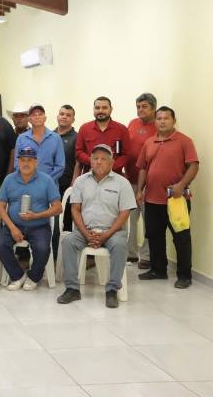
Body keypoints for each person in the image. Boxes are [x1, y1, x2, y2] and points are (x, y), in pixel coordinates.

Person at [58, 144, 135, 308]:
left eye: (103, 159)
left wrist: (107, 234)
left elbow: (124, 213)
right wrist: (86, 233)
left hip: (113, 231)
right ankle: (72, 289)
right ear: (90, 161)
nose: (98, 162)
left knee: (120, 245)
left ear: (112, 163)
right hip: (85, 230)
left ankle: (112, 290)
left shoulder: (122, 183)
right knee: (68, 242)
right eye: (95, 158)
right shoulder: (80, 181)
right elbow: (75, 209)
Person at [136, 106, 199, 289]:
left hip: (176, 200)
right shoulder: (149, 142)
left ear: (174, 121)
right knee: (154, 236)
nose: (162, 121)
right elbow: (143, 168)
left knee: (181, 238)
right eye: (159, 118)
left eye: (166, 118)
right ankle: (158, 270)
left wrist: (181, 185)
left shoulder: (184, 141)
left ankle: (184, 276)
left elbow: (193, 165)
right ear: (155, 121)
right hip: (152, 199)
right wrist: (139, 190)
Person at [0, 147, 62, 291]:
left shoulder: (46, 180)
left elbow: (58, 208)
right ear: (18, 162)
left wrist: (37, 215)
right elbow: (0, 206)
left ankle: (33, 277)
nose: (26, 163)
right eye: (22, 160)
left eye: (30, 160)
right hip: (14, 225)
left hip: (39, 225)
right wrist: (12, 228)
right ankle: (17, 276)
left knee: (42, 248)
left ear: (36, 162)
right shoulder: (9, 179)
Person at [126, 93, 157, 268]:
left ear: (153, 108)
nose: (140, 110)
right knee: (130, 219)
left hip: (149, 183)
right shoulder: (132, 123)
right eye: (138, 106)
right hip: (130, 179)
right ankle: (130, 254)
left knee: (148, 221)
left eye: (144, 106)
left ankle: (146, 256)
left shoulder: (159, 125)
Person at [74, 96, 131, 176]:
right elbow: (79, 152)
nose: (100, 111)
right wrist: (93, 162)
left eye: (104, 108)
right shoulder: (84, 128)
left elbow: (126, 155)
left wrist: (110, 167)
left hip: (114, 176)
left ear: (111, 109)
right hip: (89, 176)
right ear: (93, 110)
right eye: (97, 108)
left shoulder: (122, 129)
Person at [14, 105, 65, 182]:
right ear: (29, 119)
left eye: (40, 114)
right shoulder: (21, 138)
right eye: (34, 115)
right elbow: (17, 164)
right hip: (27, 184)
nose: (37, 117)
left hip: (50, 185)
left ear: (45, 118)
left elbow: (60, 166)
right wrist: (27, 180)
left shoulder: (56, 138)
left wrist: (46, 182)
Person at [52, 105, 77, 259]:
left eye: (68, 115)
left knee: (65, 223)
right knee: (51, 223)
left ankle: (65, 257)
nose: (64, 117)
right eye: (62, 114)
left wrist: (73, 185)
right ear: (57, 116)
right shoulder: (49, 135)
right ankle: (52, 255)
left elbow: (78, 163)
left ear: (73, 119)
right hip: (50, 186)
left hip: (67, 186)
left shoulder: (76, 137)